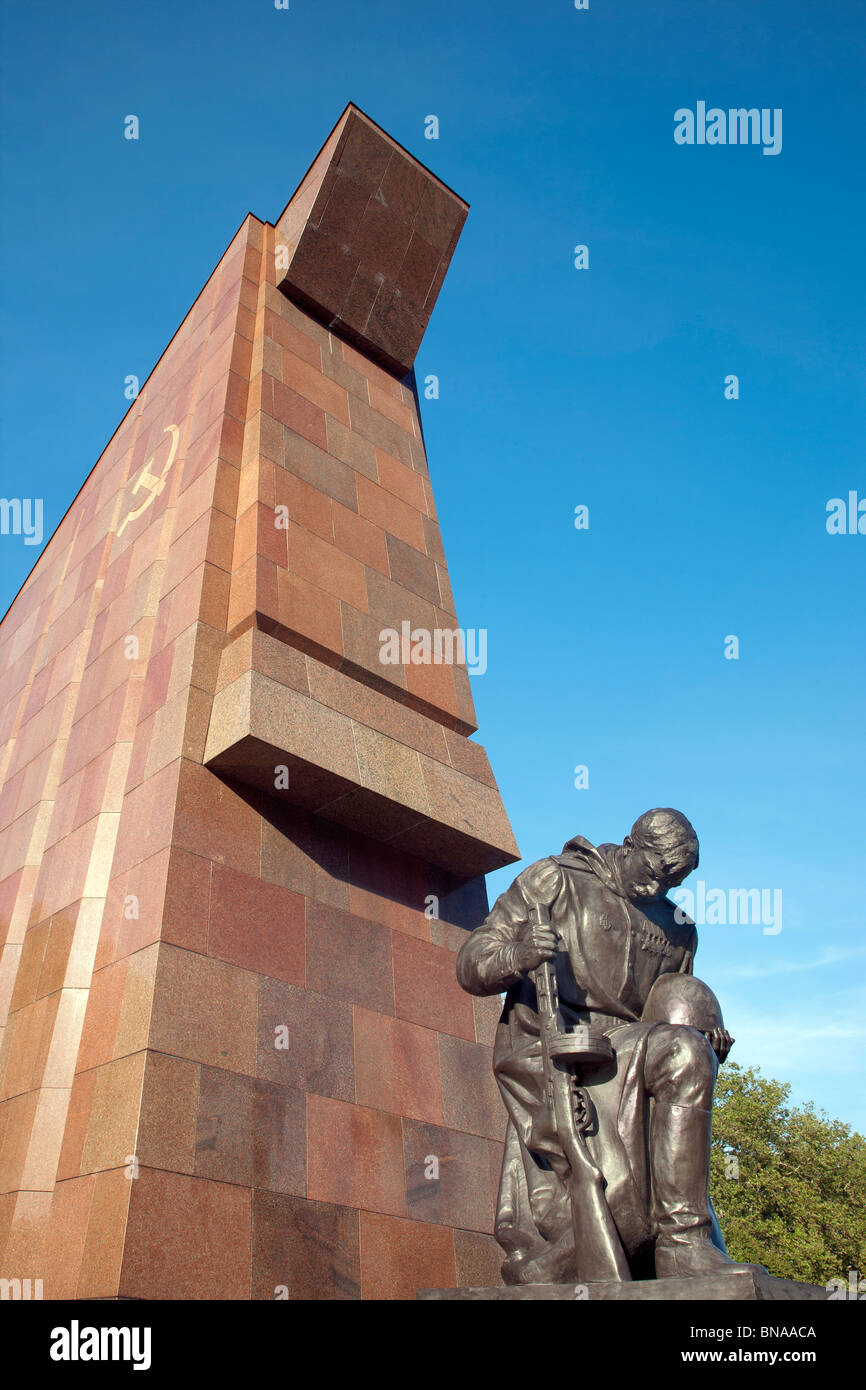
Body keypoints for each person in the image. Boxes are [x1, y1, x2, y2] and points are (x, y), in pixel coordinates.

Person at [457, 807, 759, 1284]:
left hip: (631, 1050)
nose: (660, 889)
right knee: (679, 1052)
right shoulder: (555, 880)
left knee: (686, 1051)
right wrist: (517, 954)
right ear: (630, 844)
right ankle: (673, 1240)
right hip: (555, 1048)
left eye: (674, 882)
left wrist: (705, 1037)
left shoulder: (678, 926)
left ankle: (683, 1243)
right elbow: (471, 964)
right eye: (656, 872)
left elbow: (670, 1009)